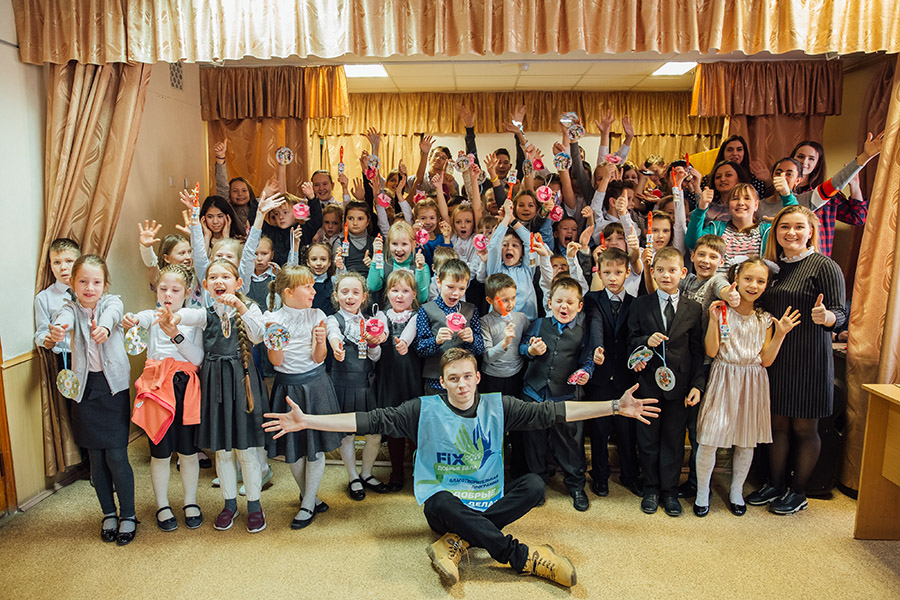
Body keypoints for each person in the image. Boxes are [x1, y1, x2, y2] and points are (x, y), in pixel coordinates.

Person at [262, 348, 660, 587]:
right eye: (453, 379)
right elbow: (368, 420)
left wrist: (614, 406)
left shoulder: (499, 406)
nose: (462, 384)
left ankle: (459, 542)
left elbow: (553, 413)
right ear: (443, 382)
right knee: (440, 500)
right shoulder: (421, 409)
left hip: (486, 501)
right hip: (444, 507)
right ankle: (520, 556)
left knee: (534, 486)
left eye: (468, 377)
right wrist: (307, 420)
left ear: (477, 377)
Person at [748, 205, 846, 514]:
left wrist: (826, 317)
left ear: (811, 232)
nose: (791, 232)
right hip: (777, 358)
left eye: (799, 227)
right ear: (775, 232)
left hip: (810, 359)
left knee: (805, 429)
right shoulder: (774, 268)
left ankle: (798, 492)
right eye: (784, 227)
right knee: (777, 426)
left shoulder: (825, 266)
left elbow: (841, 313)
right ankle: (775, 484)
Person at [169, 259, 270, 532]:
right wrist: (175, 319)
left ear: (238, 283)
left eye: (225, 276)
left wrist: (240, 307)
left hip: (242, 382)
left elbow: (258, 336)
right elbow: (189, 316)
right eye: (213, 277)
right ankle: (229, 504)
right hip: (215, 383)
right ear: (205, 285)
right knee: (223, 452)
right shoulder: (206, 313)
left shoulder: (250, 308)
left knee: (246, 450)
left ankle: (254, 504)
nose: (219, 281)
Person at [694, 257, 800, 517]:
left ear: (766, 285)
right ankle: (702, 493)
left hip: (752, 381)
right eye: (748, 279)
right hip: (723, 375)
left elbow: (766, 360)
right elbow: (711, 350)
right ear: (737, 279)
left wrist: (780, 334)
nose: (753, 285)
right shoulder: (721, 310)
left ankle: (736, 492)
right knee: (709, 438)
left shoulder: (764, 318)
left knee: (745, 441)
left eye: (760, 281)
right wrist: (712, 320)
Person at [46, 255, 136, 545]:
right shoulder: (69, 308)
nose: (89, 287)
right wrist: (58, 329)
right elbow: (64, 318)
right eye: (83, 281)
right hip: (84, 392)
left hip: (113, 391)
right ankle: (108, 513)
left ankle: (129, 514)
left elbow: (112, 315)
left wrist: (104, 328)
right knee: (96, 458)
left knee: (117, 456)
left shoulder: (112, 303)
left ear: (105, 284)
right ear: (73, 283)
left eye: (96, 282)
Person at [124, 264, 204, 532]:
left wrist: (175, 335)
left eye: (175, 290)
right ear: (156, 290)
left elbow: (198, 358)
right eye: (163, 289)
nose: (168, 295)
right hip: (158, 391)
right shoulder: (151, 316)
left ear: (188, 292)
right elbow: (140, 319)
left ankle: (190, 501)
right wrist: (132, 320)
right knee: (159, 453)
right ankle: (162, 504)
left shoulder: (194, 318)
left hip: (186, 390)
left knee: (188, 452)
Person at [627, 247, 706, 517]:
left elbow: (697, 351)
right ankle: (650, 488)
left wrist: (697, 384)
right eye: (660, 270)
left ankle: (670, 491)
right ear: (652, 272)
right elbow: (630, 340)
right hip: (648, 384)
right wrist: (644, 341)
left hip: (679, 387)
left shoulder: (693, 308)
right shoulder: (640, 304)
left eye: (672, 270)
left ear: (683, 273)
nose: (666, 275)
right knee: (647, 439)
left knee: (673, 440)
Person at [264, 266, 341, 528]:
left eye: (312, 285)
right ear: (288, 292)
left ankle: (307, 503)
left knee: (315, 448)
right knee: (294, 449)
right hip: (287, 387)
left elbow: (319, 358)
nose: (313, 290)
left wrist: (320, 341)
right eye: (306, 286)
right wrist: (275, 342)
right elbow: (276, 362)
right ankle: (310, 496)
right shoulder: (272, 318)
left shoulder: (317, 314)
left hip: (315, 384)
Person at [520, 277, 598, 511]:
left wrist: (586, 373)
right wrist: (531, 350)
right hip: (534, 393)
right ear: (550, 302)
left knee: (569, 444)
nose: (564, 306)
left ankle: (576, 485)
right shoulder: (538, 324)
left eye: (570, 303)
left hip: (565, 396)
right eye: (559, 301)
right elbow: (522, 348)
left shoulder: (583, 332)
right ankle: (537, 486)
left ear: (579, 306)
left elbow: (587, 361)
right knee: (534, 444)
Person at [583, 248, 641, 498]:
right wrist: (598, 348)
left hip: (625, 376)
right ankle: (600, 475)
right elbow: (595, 324)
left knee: (626, 430)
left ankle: (630, 475)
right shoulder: (592, 298)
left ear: (627, 273)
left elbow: (635, 335)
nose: (613, 277)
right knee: (599, 428)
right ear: (599, 273)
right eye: (607, 272)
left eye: (618, 272)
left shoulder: (635, 302)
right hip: (600, 375)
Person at [326, 272, 389, 499]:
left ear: (364, 297)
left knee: (374, 433)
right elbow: (333, 334)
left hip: (367, 384)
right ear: (336, 296)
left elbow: (376, 357)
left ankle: (366, 473)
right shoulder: (334, 319)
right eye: (344, 292)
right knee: (347, 435)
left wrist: (373, 344)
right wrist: (336, 346)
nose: (350, 297)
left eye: (355, 292)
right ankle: (353, 477)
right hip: (343, 384)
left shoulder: (371, 322)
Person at [372, 269, 423, 491]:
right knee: (393, 423)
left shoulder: (417, 316)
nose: (400, 295)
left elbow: (409, 334)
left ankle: (419, 471)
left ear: (414, 294)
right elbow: (381, 332)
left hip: (411, 377)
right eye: (395, 290)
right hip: (389, 377)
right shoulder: (382, 316)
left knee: (414, 423)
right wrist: (378, 337)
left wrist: (403, 343)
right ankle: (396, 471)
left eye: (405, 291)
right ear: (387, 293)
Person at [416, 258, 484, 392]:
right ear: (439, 282)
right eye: (450, 287)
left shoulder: (471, 310)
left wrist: (472, 339)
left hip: (465, 382)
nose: (456, 293)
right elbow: (420, 349)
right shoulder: (426, 310)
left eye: (462, 288)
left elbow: (480, 349)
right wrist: (436, 341)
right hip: (436, 380)